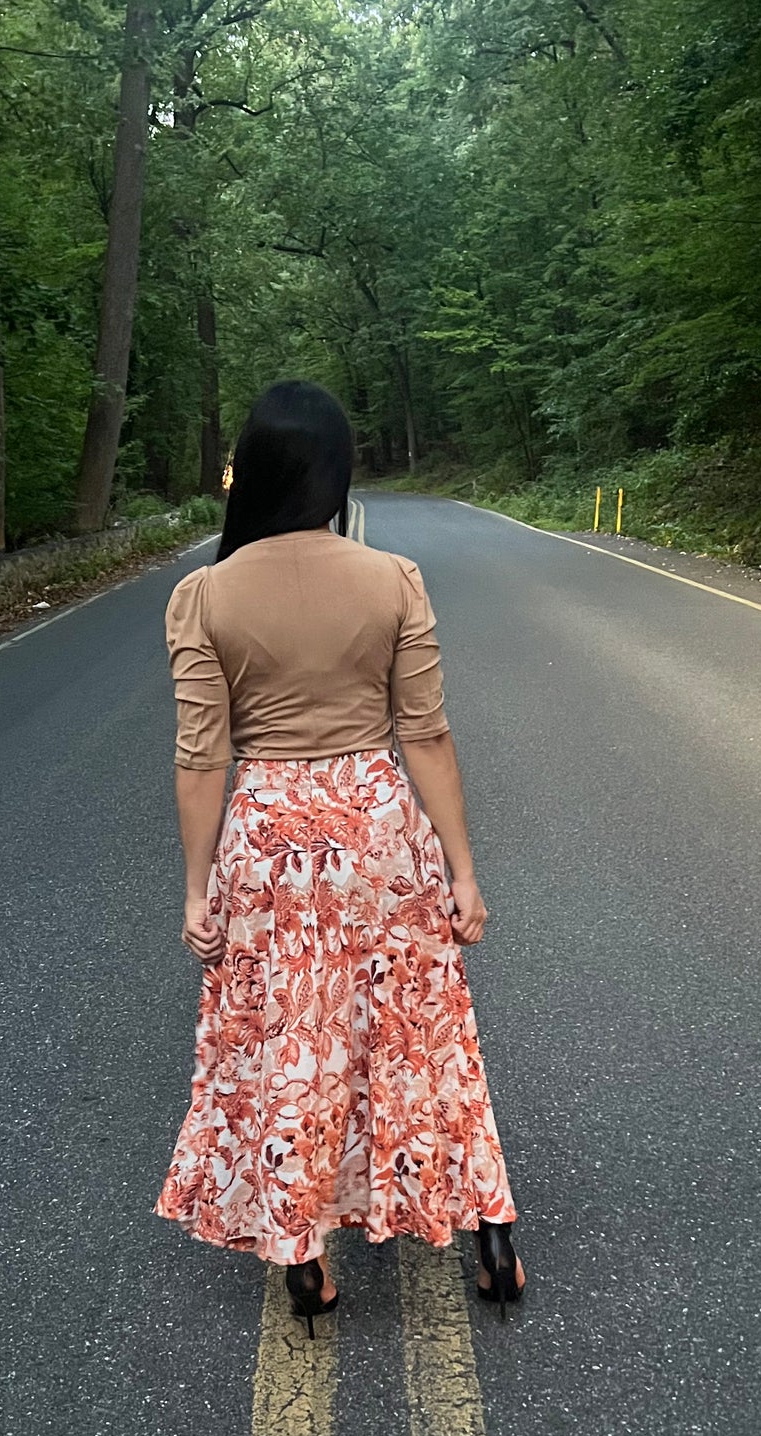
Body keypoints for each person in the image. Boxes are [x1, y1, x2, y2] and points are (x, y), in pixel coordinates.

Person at [153, 380, 525, 1331]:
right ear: (334, 473)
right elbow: (427, 735)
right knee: (420, 1029)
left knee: (293, 1041)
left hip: (270, 840)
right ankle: (488, 1231)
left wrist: (197, 889)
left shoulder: (203, 596)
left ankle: (303, 1257)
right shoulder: (392, 579)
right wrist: (462, 869)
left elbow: (203, 755)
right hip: (376, 831)